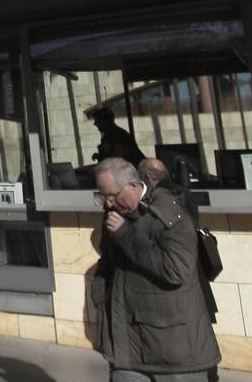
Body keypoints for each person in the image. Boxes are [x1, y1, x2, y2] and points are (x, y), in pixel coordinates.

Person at [92, 157, 219, 381]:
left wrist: (125, 234)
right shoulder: (114, 214)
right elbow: (109, 259)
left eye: (112, 196)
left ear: (133, 185)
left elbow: (174, 269)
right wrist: (100, 297)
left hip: (172, 347)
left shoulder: (168, 211)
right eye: (102, 197)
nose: (108, 203)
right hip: (126, 346)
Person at [139, 157, 218, 325]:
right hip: (192, 265)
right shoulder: (180, 191)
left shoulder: (159, 198)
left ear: (146, 177)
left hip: (175, 269)